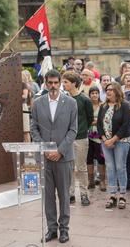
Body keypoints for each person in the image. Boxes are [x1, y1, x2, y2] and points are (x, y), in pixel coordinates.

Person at [30, 69, 77, 243]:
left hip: (63, 156)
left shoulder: (71, 103)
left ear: (60, 83)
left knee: (64, 195)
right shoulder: (38, 102)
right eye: (50, 83)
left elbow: (73, 130)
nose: (53, 86)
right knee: (48, 195)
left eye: (56, 82)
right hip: (44, 157)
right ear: (45, 83)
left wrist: (59, 151)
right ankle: (52, 229)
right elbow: (34, 127)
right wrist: (45, 149)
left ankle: (64, 229)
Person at [97, 82, 130, 209]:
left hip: (121, 141)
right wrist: (105, 139)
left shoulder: (124, 106)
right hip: (106, 142)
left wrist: (113, 139)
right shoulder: (103, 106)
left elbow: (125, 125)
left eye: (111, 89)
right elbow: (99, 124)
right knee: (110, 168)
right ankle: (112, 195)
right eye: (107, 89)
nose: (108, 91)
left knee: (120, 167)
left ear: (117, 91)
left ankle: (122, 195)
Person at [62, 71, 93, 206]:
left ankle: (84, 194)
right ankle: (70, 194)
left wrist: (82, 130)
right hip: (67, 138)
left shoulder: (85, 99)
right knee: (69, 167)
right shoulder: (63, 99)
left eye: (66, 82)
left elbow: (90, 118)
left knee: (81, 167)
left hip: (81, 137)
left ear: (73, 83)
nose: (63, 84)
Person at [87, 86, 106, 191]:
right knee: (89, 157)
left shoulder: (102, 105)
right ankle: (91, 180)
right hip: (88, 134)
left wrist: (94, 120)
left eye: (96, 93)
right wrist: (94, 120)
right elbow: (85, 119)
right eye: (92, 93)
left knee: (100, 158)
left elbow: (102, 120)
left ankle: (102, 180)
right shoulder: (88, 105)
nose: (94, 95)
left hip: (99, 135)